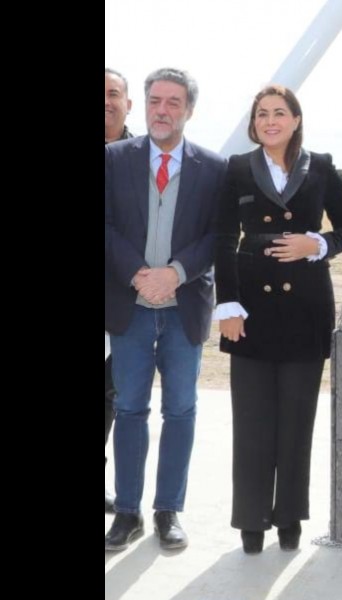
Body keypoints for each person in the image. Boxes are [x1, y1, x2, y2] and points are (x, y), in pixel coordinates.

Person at [214, 85, 342, 555]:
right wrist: (227, 305)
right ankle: (251, 519)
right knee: (252, 421)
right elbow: (223, 238)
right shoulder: (237, 168)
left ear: (296, 120)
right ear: (253, 124)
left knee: (297, 421)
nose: (270, 121)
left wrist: (317, 244)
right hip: (249, 309)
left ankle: (290, 517)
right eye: (262, 114)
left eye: (279, 113)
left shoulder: (320, 165)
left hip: (305, 307)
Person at [104, 68, 227, 552]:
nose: (163, 110)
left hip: (184, 308)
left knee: (181, 410)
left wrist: (174, 273)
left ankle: (168, 510)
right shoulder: (114, 160)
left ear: (189, 110)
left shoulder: (214, 168)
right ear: (144, 105)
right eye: (155, 100)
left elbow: (217, 235)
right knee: (130, 408)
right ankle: (127, 512)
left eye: (174, 102)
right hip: (130, 306)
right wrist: (139, 273)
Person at [104, 68, 135, 514]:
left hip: (126, 297)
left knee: (111, 393)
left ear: (128, 104)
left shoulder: (143, 157)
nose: (106, 101)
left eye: (113, 94)